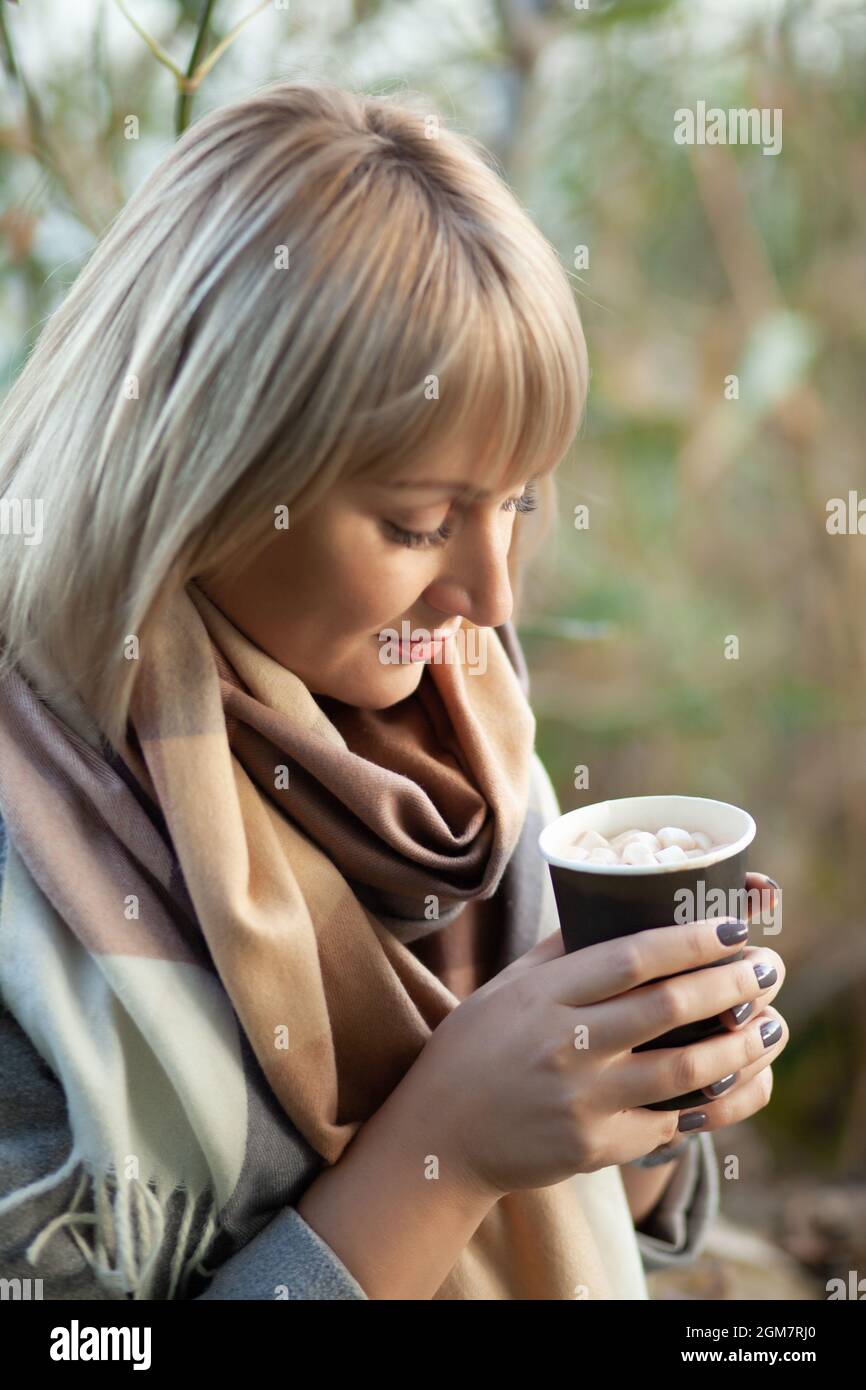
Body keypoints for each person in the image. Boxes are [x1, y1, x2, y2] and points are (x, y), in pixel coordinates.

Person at [0, 79, 787, 1300]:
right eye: (420, 523)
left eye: (514, 502)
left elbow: (603, 1233)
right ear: (208, 473)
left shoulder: (457, 732)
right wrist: (443, 1155)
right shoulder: (30, 851)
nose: (492, 596)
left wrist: (644, 1093)